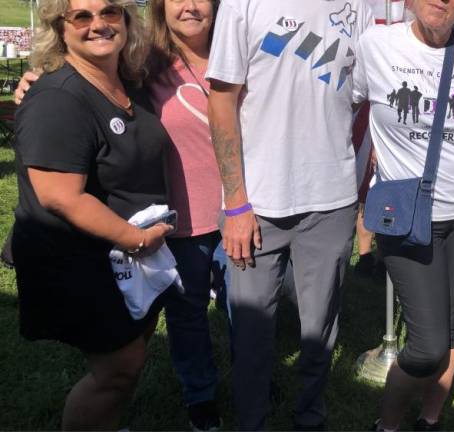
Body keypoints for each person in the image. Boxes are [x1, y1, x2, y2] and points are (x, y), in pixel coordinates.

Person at [204, 0, 374, 429]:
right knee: (252, 333)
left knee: (320, 332)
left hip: (331, 201)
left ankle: (310, 418)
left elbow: (383, 76)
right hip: (257, 205)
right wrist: (237, 203)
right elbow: (222, 101)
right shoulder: (243, 5)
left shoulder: (364, 6)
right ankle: (251, 421)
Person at [11, 0, 173, 428]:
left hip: (123, 255)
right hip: (75, 258)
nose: (98, 24)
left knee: (130, 357)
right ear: (59, 29)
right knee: (118, 368)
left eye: (110, 12)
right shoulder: (58, 99)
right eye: (81, 16)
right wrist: (137, 239)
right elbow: (60, 197)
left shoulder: (127, 81)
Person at [352, 0, 454, 430]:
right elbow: (342, 107)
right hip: (405, 213)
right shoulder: (376, 45)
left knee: (449, 334)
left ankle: (429, 420)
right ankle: (388, 424)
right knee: (427, 347)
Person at [145, 0, 224, 428]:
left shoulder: (242, 55)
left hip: (240, 213)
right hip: (181, 219)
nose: (190, 6)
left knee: (247, 309)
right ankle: (200, 394)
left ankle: (254, 374)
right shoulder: (142, 65)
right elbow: (87, 80)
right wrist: (37, 80)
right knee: (187, 313)